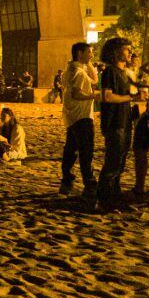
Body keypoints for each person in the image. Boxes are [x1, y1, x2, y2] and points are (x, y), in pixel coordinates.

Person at [95, 37, 138, 212]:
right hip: (114, 124)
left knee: (120, 163)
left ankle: (115, 198)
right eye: (127, 49)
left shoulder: (124, 73)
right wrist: (132, 98)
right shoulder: (110, 72)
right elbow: (106, 96)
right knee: (112, 164)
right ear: (116, 52)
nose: (130, 53)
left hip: (125, 122)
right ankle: (103, 201)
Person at [60, 42, 98, 198]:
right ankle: (89, 185)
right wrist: (94, 96)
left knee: (70, 150)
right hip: (82, 116)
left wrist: (87, 62)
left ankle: (66, 182)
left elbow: (94, 80)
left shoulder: (69, 70)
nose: (92, 55)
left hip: (71, 116)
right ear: (79, 53)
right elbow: (76, 94)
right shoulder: (79, 73)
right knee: (86, 152)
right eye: (89, 52)